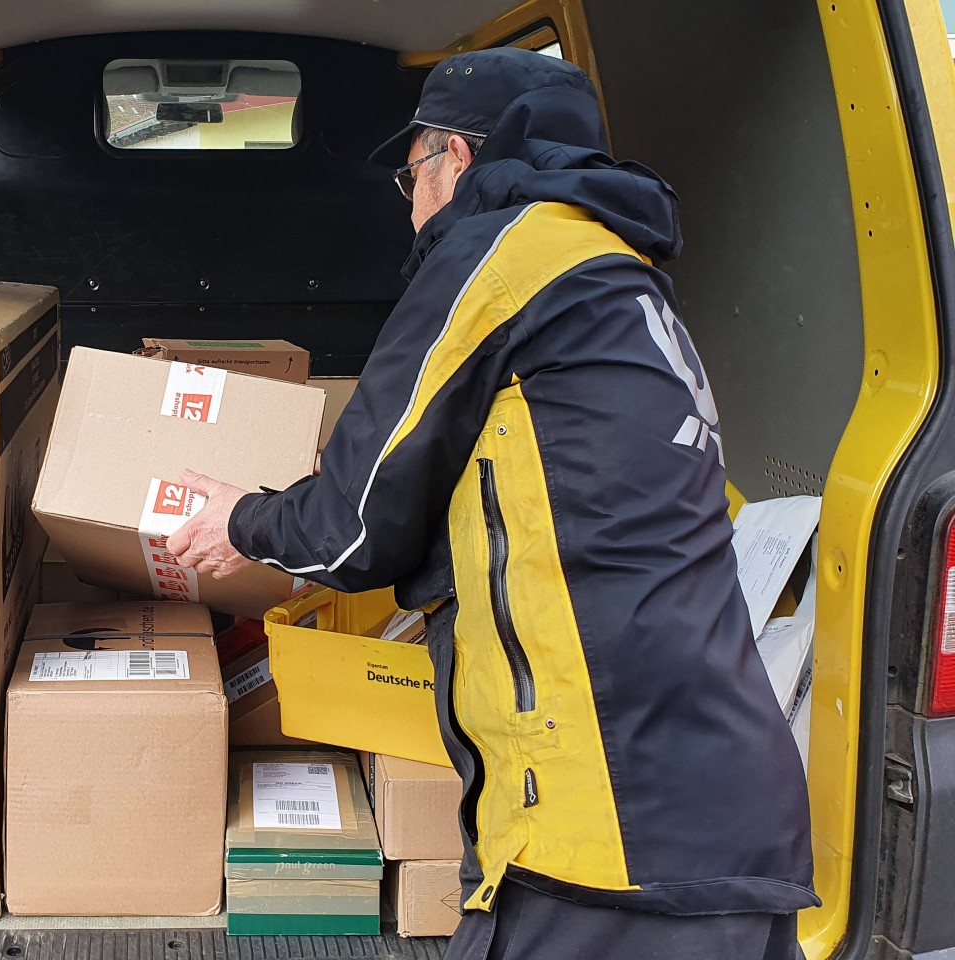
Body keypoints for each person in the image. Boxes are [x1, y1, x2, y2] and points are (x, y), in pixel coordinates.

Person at [167, 48, 817, 960]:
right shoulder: (614, 274)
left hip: (607, 832)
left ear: (458, 160)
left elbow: (353, 530)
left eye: (413, 171)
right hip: (733, 817)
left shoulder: (498, 258)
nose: (409, 200)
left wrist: (240, 518)